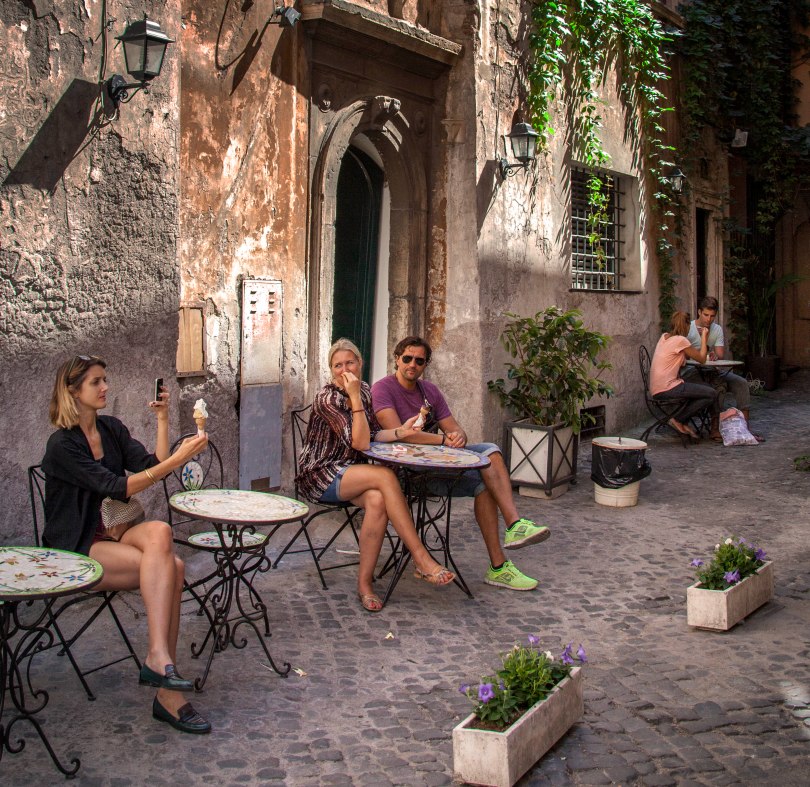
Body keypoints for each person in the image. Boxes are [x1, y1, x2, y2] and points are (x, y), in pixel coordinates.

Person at [41, 354, 212, 734]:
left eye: (105, 379)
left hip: (113, 529)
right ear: (72, 390)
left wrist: (164, 420)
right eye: (95, 382)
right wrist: (176, 462)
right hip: (76, 544)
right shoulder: (61, 446)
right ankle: (166, 689)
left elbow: (151, 463)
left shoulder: (112, 428)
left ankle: (157, 659)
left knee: (160, 534)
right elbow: (116, 486)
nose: (105, 387)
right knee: (175, 568)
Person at [370, 336, 550, 592]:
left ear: (425, 364)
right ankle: (504, 547)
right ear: (397, 359)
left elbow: (455, 429)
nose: (412, 364)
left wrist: (458, 436)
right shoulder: (383, 389)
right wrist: (444, 439)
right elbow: (401, 433)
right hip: (402, 471)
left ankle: (509, 539)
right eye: (407, 358)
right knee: (484, 470)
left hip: (437, 465)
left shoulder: (430, 391)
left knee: (490, 455)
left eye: (419, 361)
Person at [295, 338, 456, 612]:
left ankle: (364, 585)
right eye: (337, 365)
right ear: (331, 370)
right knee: (385, 477)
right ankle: (420, 556)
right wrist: (355, 396)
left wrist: (399, 433)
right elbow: (359, 443)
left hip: (353, 473)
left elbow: (373, 436)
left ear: (360, 364)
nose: (344, 369)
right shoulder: (328, 398)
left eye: (350, 362)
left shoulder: (367, 391)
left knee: (378, 501)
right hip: (321, 474)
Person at [680, 296, 763, 441]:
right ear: (699, 312)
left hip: (712, 370)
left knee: (741, 383)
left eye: (712, 316)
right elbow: (682, 356)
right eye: (706, 315)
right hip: (691, 372)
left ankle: (745, 428)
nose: (708, 319)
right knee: (719, 385)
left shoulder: (716, 329)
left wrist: (713, 355)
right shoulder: (689, 328)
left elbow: (719, 354)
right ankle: (714, 427)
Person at [649, 312, 718, 439]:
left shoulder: (664, 337)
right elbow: (702, 359)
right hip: (668, 388)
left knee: (703, 390)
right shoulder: (681, 340)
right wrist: (703, 337)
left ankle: (682, 421)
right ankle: (678, 419)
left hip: (656, 388)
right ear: (686, 325)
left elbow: (677, 357)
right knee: (712, 393)